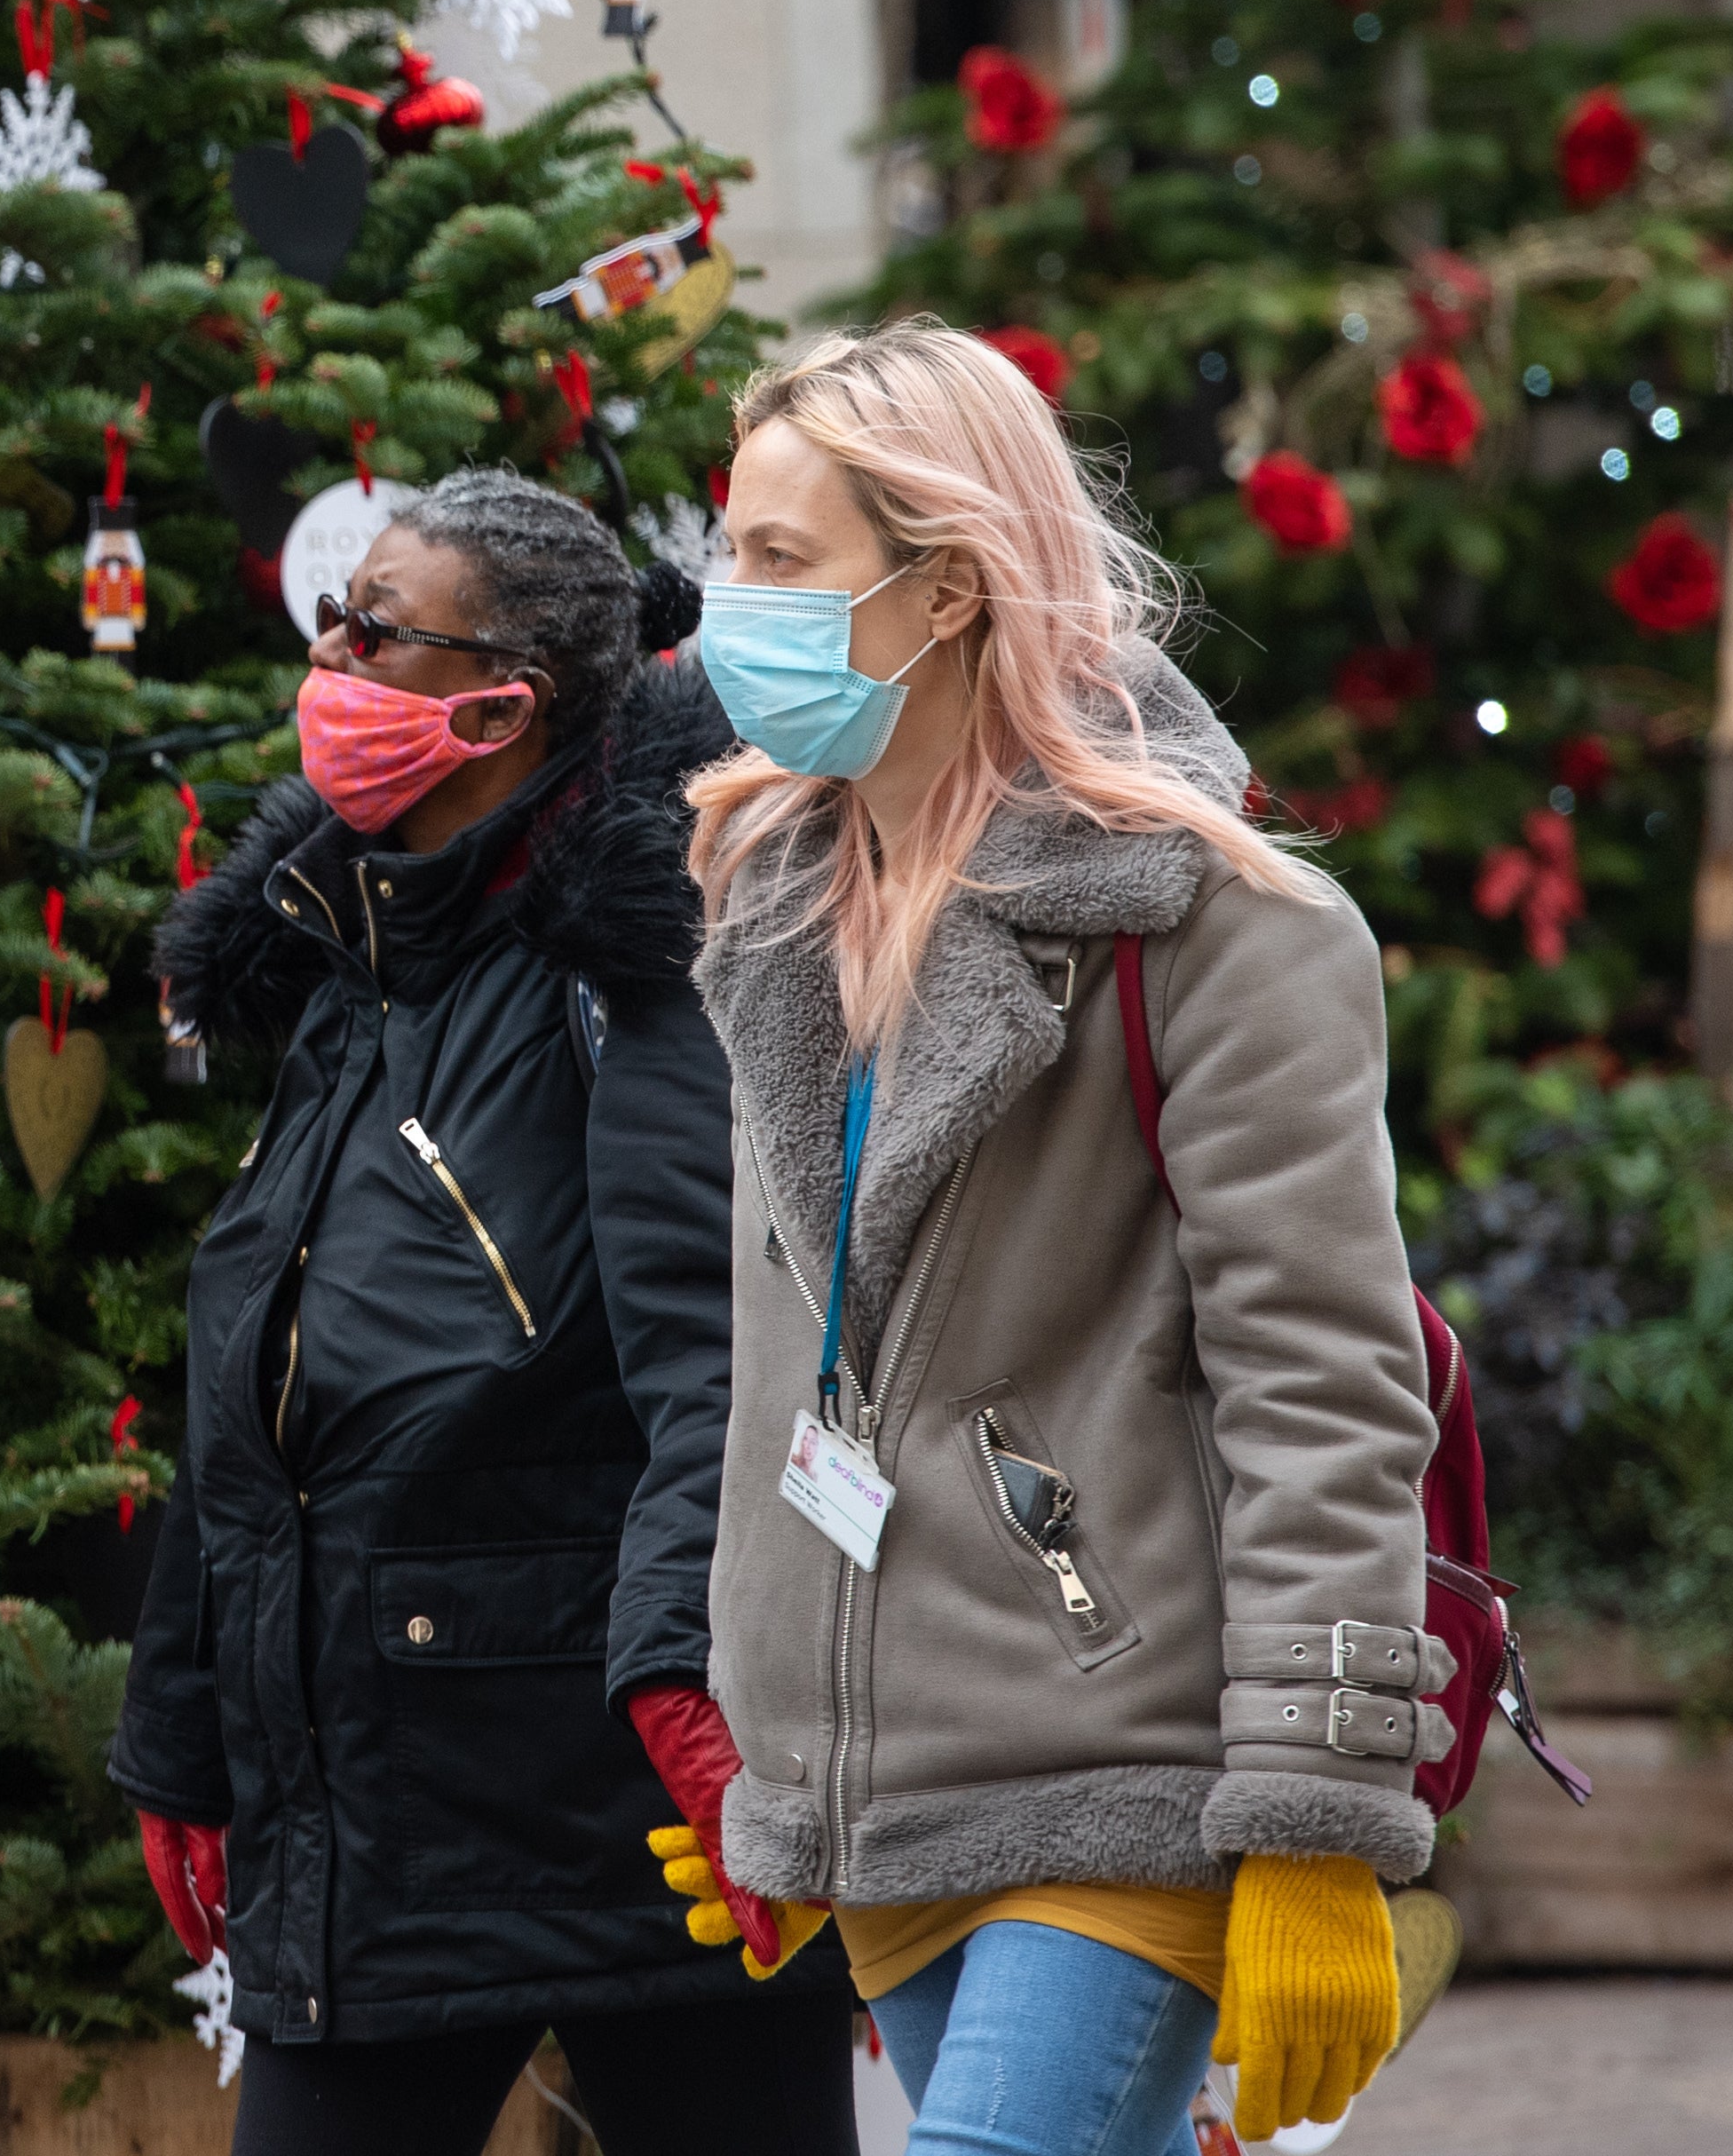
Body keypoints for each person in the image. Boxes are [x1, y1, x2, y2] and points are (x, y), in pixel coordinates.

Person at [662, 326, 1437, 2154]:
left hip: (1129, 1768)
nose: (723, 603)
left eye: (780, 558)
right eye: (727, 546)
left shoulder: (1227, 928)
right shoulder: (768, 901)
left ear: (941, 587)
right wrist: (771, 1752)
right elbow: (774, 1370)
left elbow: (1328, 1395)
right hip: (889, 1793)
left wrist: (1318, 1824)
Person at [109, 467, 857, 2156]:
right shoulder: (348, 956)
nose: (334, 660)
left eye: (381, 631)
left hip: (625, 1806)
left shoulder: (638, 961)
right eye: (333, 620)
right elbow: (253, 1390)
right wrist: (180, 1741)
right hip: (377, 1792)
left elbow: (717, 1366)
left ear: (503, 706)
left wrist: (691, 1702)